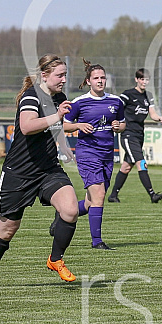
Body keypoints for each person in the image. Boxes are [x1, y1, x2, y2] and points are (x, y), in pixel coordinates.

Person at [0, 54, 78, 287]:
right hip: (20, 172)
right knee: (8, 229)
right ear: (45, 75)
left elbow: (56, 127)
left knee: (70, 210)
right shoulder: (31, 96)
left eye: (65, 75)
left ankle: (56, 260)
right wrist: (57, 116)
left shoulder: (59, 97)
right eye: (60, 75)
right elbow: (27, 126)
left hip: (48, 169)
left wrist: (65, 147)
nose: (64, 79)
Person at [50, 59, 126, 250]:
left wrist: (118, 127)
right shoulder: (79, 103)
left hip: (107, 155)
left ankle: (63, 215)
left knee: (92, 201)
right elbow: (63, 125)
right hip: (87, 154)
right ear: (88, 81)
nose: (100, 81)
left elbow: (122, 124)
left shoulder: (116, 101)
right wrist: (78, 125)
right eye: (96, 78)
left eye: (103, 78)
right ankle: (97, 242)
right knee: (99, 195)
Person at [108, 68, 162, 203]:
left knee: (126, 167)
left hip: (139, 134)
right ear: (136, 80)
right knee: (141, 162)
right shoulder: (128, 95)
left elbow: (152, 114)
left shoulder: (148, 96)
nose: (144, 82)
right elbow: (116, 107)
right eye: (142, 79)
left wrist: (158, 118)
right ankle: (152, 195)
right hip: (128, 134)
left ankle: (113, 195)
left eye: (147, 79)